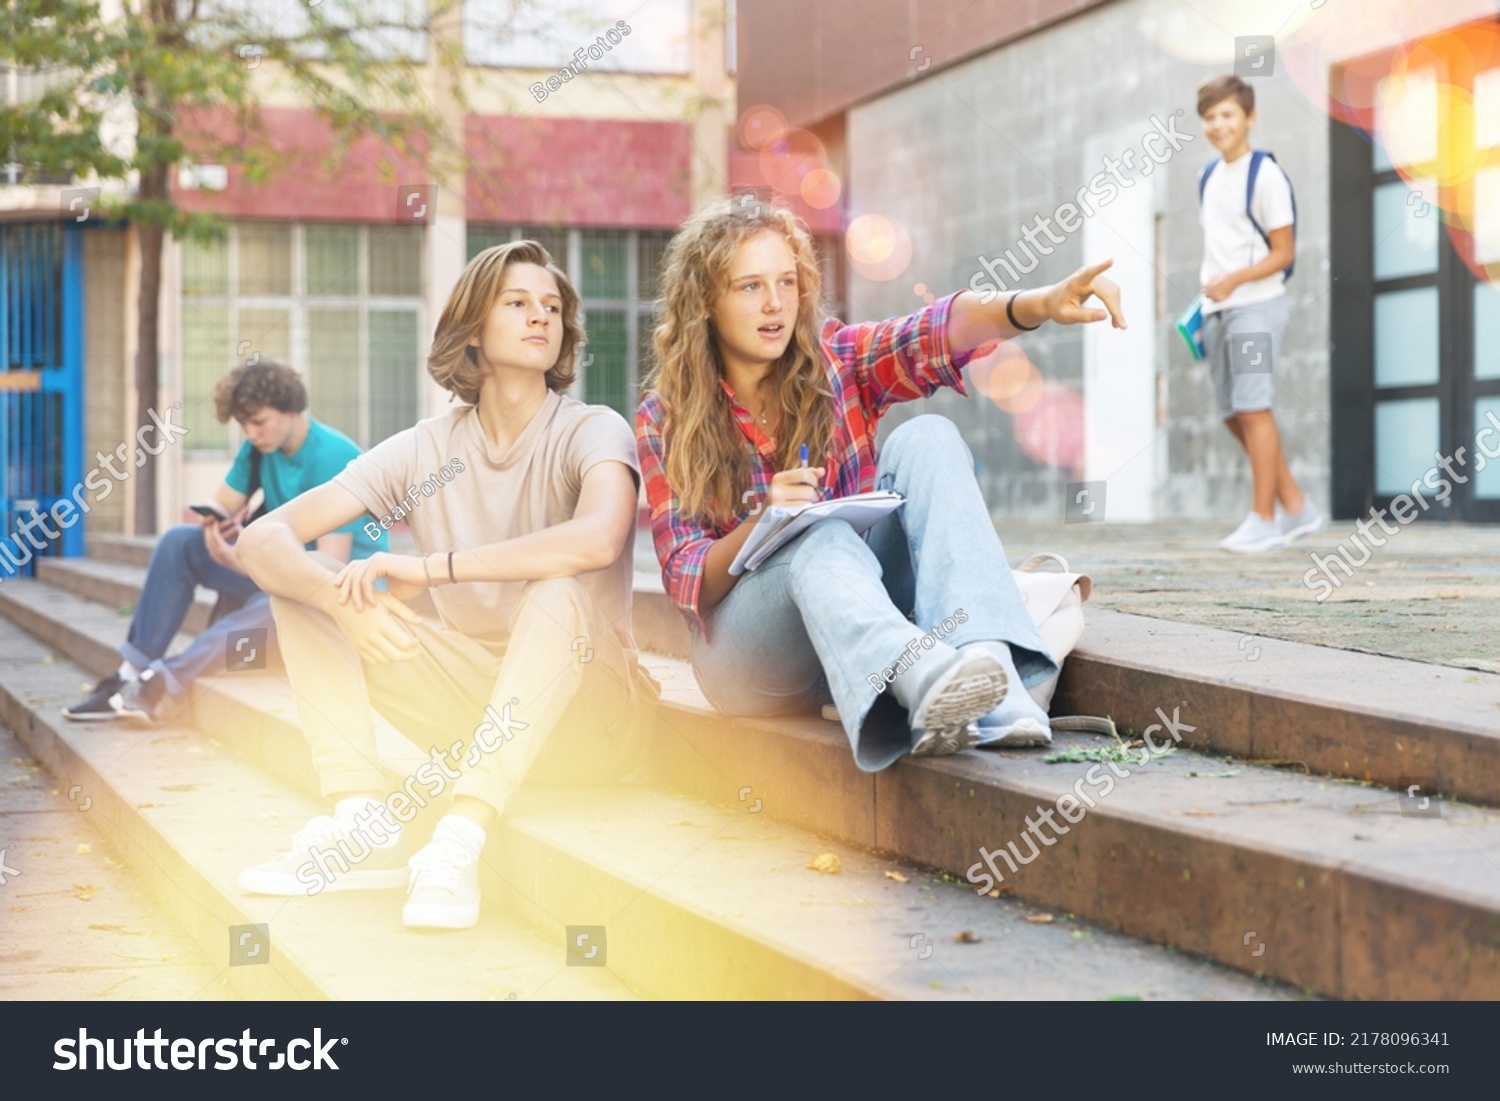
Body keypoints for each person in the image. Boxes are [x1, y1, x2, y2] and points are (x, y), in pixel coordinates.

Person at [234, 240, 656, 931]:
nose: (540, 317)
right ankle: (361, 820)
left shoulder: (592, 428)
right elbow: (263, 538)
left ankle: (460, 837)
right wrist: (339, 603)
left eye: (550, 306)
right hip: (479, 707)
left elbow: (598, 538)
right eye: (517, 303)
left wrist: (433, 568)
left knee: (554, 591)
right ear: (473, 332)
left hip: (594, 715)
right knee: (310, 588)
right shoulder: (424, 447)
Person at [636, 197, 1125, 768]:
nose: (775, 305)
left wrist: (1039, 302)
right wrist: (763, 523)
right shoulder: (665, 417)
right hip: (756, 660)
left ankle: (992, 685)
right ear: (706, 303)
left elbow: (932, 332)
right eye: (749, 287)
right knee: (814, 536)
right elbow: (686, 578)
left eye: (786, 282)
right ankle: (923, 676)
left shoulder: (834, 362)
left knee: (930, 438)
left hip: (867, 615)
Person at [61, 359, 386, 726]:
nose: (250, 433)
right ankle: (130, 673)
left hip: (339, 592)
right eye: (243, 424)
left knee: (282, 599)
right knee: (180, 542)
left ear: (291, 409)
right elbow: (223, 504)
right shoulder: (260, 447)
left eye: (258, 422)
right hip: (280, 571)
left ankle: (163, 681)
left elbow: (326, 571)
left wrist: (241, 560)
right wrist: (216, 521)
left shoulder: (335, 458)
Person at [1196, 73, 1324, 552]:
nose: (1217, 124)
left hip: (1254, 306)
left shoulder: (1265, 174)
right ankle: (1297, 506)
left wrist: (1234, 280)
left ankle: (1264, 519)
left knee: (1254, 408)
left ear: (1249, 118)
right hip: (1216, 309)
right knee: (1233, 412)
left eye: (1227, 114)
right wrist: (1213, 292)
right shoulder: (1207, 176)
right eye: (1209, 117)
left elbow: (1284, 252)